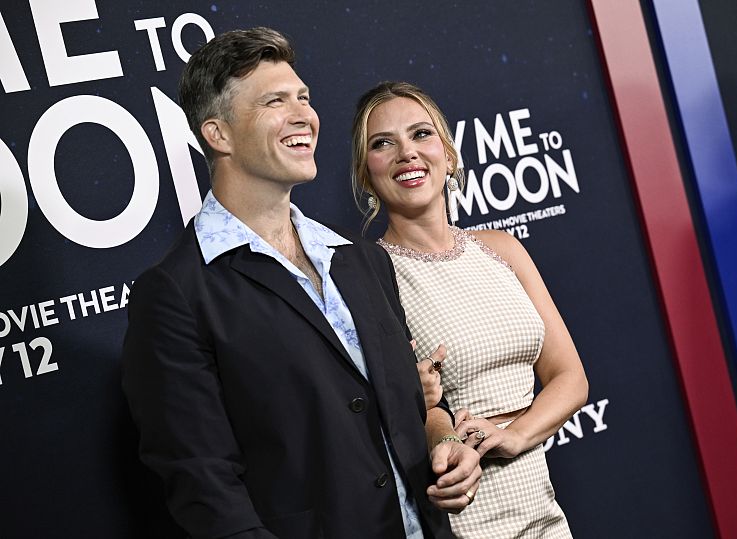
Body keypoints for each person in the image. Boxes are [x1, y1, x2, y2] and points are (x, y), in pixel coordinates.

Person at [121, 29, 481, 539]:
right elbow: (205, 487)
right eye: (275, 102)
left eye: (304, 98)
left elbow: (413, 406)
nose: (304, 117)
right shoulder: (176, 293)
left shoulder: (360, 260)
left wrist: (445, 446)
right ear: (217, 135)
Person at [350, 81, 589, 538]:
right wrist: (447, 438)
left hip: (543, 512)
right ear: (366, 174)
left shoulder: (502, 249)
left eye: (421, 134)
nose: (407, 153)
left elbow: (570, 378)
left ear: (449, 153)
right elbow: (417, 408)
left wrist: (516, 434)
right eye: (383, 143)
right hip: (462, 515)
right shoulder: (372, 279)